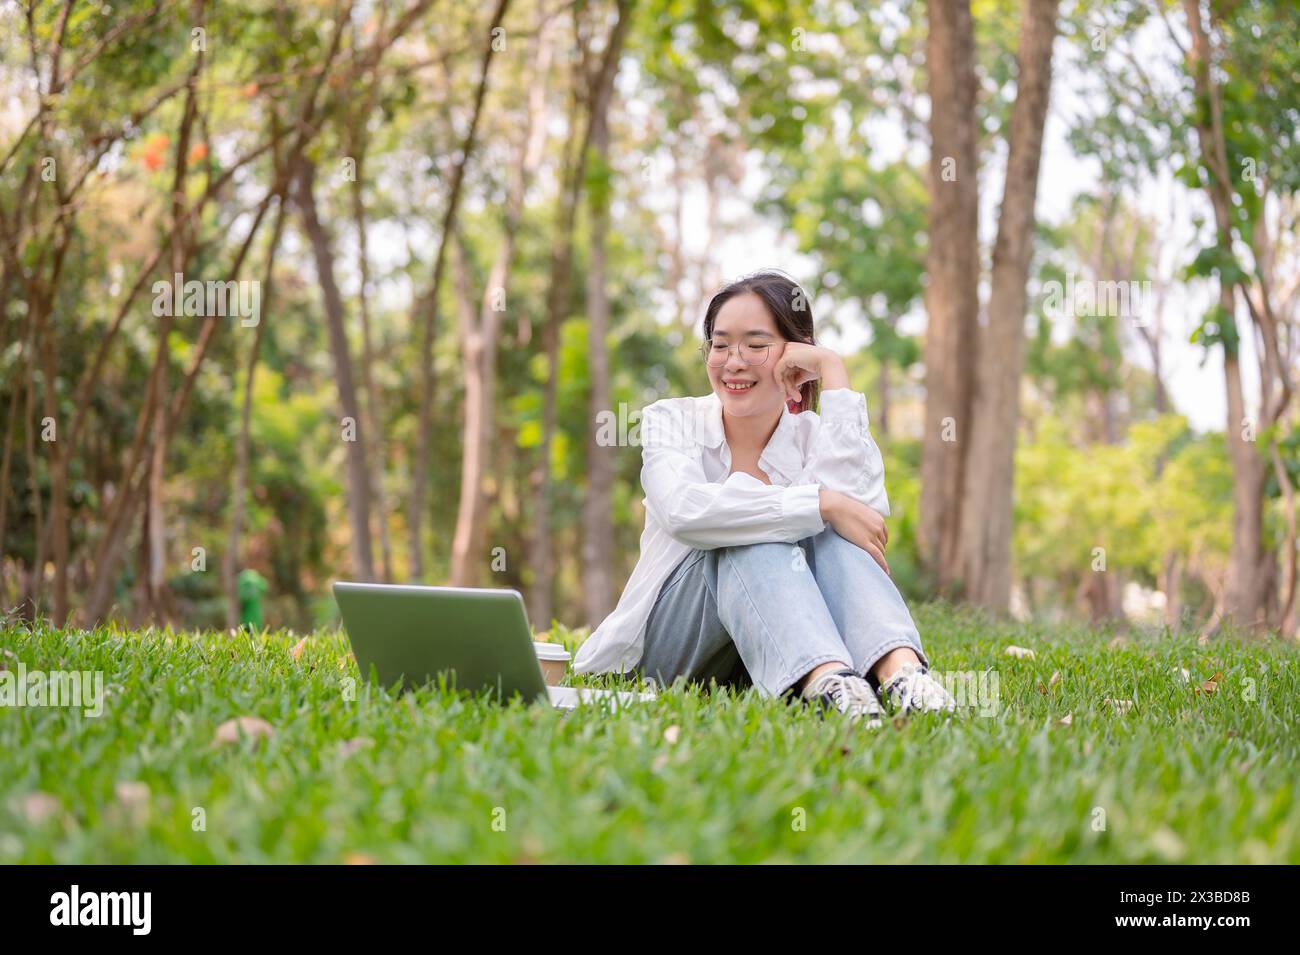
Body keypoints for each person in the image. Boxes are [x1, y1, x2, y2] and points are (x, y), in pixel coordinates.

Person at [572, 270, 956, 726]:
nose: (734, 362)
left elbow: (863, 518)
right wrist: (819, 504)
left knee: (832, 530)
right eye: (720, 345)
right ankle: (830, 685)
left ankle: (903, 675)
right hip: (671, 651)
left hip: (761, 655)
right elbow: (684, 513)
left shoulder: (813, 435)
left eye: (756, 346)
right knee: (749, 528)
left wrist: (831, 368)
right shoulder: (671, 421)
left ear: (795, 355)